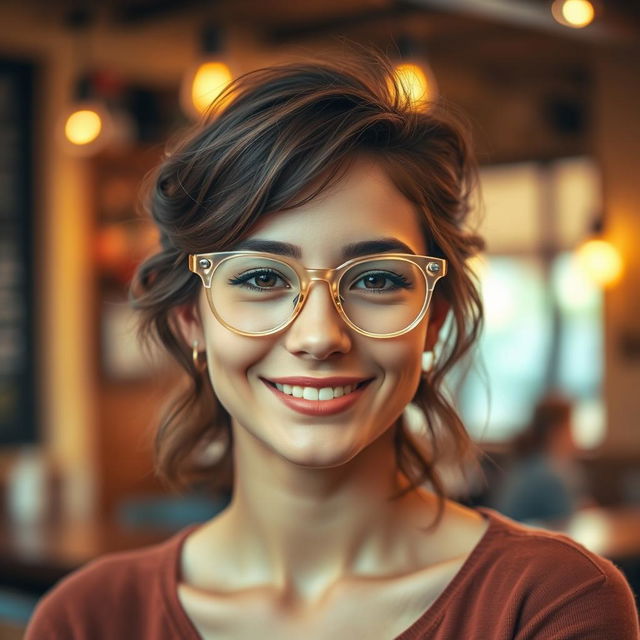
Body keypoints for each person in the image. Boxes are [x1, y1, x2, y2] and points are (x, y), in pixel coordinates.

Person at [26, 50, 638, 639]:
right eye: (262, 278)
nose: (319, 336)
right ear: (191, 320)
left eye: (375, 279)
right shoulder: (88, 620)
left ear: (433, 318)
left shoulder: (548, 605)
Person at [492, 393, 593, 523]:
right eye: (572, 427)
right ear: (556, 431)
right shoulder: (547, 476)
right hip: (524, 540)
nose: (577, 435)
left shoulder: (529, 463)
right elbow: (566, 525)